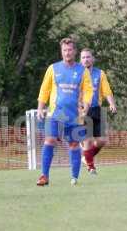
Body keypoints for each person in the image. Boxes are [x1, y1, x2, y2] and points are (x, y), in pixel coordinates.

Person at [36, 37, 93, 186]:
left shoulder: (82, 71)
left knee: (74, 144)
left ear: (74, 51)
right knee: (49, 140)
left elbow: (88, 90)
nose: (67, 53)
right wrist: (40, 108)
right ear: (61, 52)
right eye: (64, 50)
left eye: (70, 50)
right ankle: (44, 176)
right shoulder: (53, 68)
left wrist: (86, 105)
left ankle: (74, 177)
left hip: (74, 115)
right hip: (55, 113)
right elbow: (45, 89)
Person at [80, 48, 116, 174]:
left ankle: (86, 157)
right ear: (80, 60)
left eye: (88, 57)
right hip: (83, 110)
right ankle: (91, 167)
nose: (86, 59)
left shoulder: (100, 73)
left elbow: (106, 91)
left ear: (92, 59)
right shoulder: (77, 73)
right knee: (88, 140)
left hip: (97, 109)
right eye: (83, 57)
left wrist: (112, 103)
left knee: (102, 140)